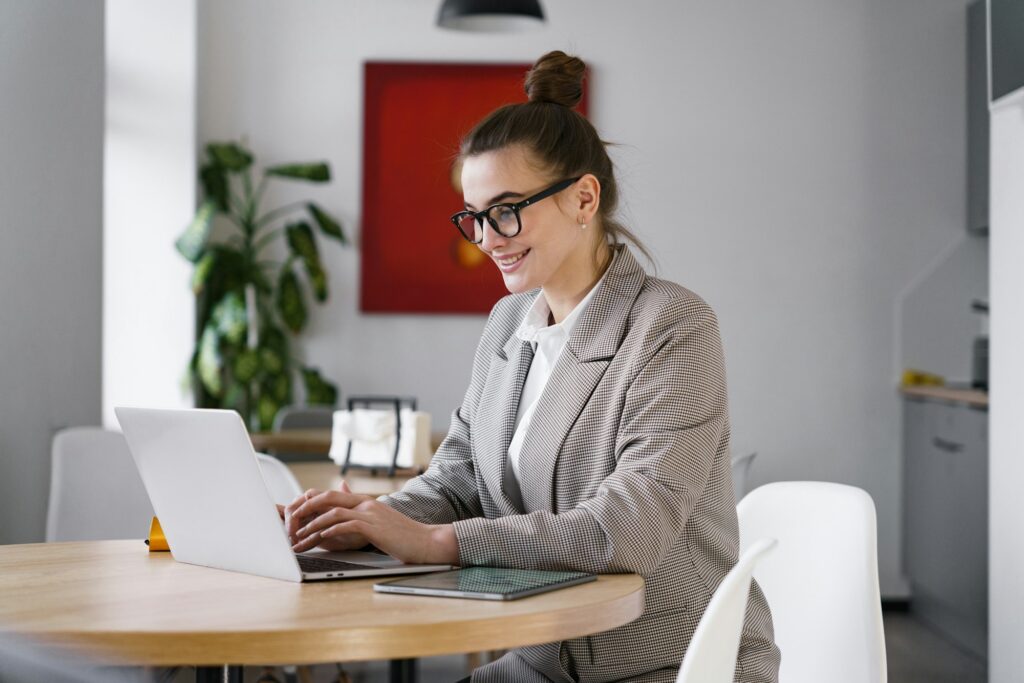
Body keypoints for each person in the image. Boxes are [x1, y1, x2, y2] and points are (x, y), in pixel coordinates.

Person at [285, 50, 781, 683]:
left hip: (669, 664)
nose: (488, 237)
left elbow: (627, 528)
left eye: (506, 209)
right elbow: (458, 477)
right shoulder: (506, 323)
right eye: (474, 217)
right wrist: (369, 524)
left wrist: (443, 544)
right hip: (547, 660)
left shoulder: (673, 326)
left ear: (583, 198)